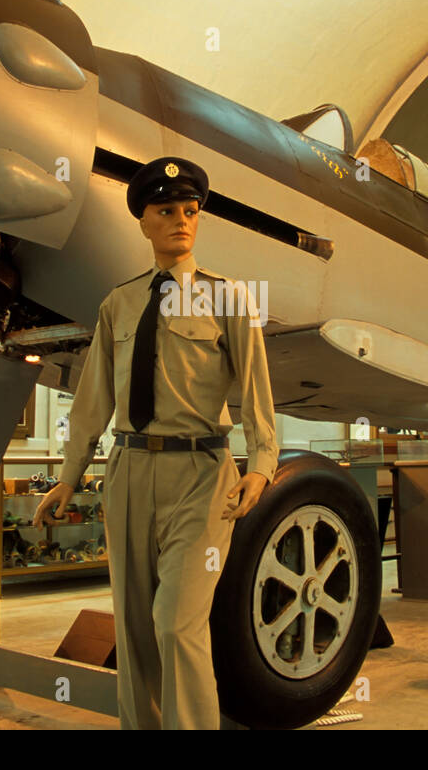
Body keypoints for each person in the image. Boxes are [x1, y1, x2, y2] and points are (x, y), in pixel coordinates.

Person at [33, 156, 278, 730]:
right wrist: (70, 476)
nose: (181, 221)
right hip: (128, 474)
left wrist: (261, 464)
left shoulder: (229, 300)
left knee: (175, 621)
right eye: (166, 211)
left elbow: (259, 397)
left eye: (191, 211)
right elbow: (93, 401)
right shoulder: (119, 304)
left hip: (203, 475)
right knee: (136, 629)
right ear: (143, 222)